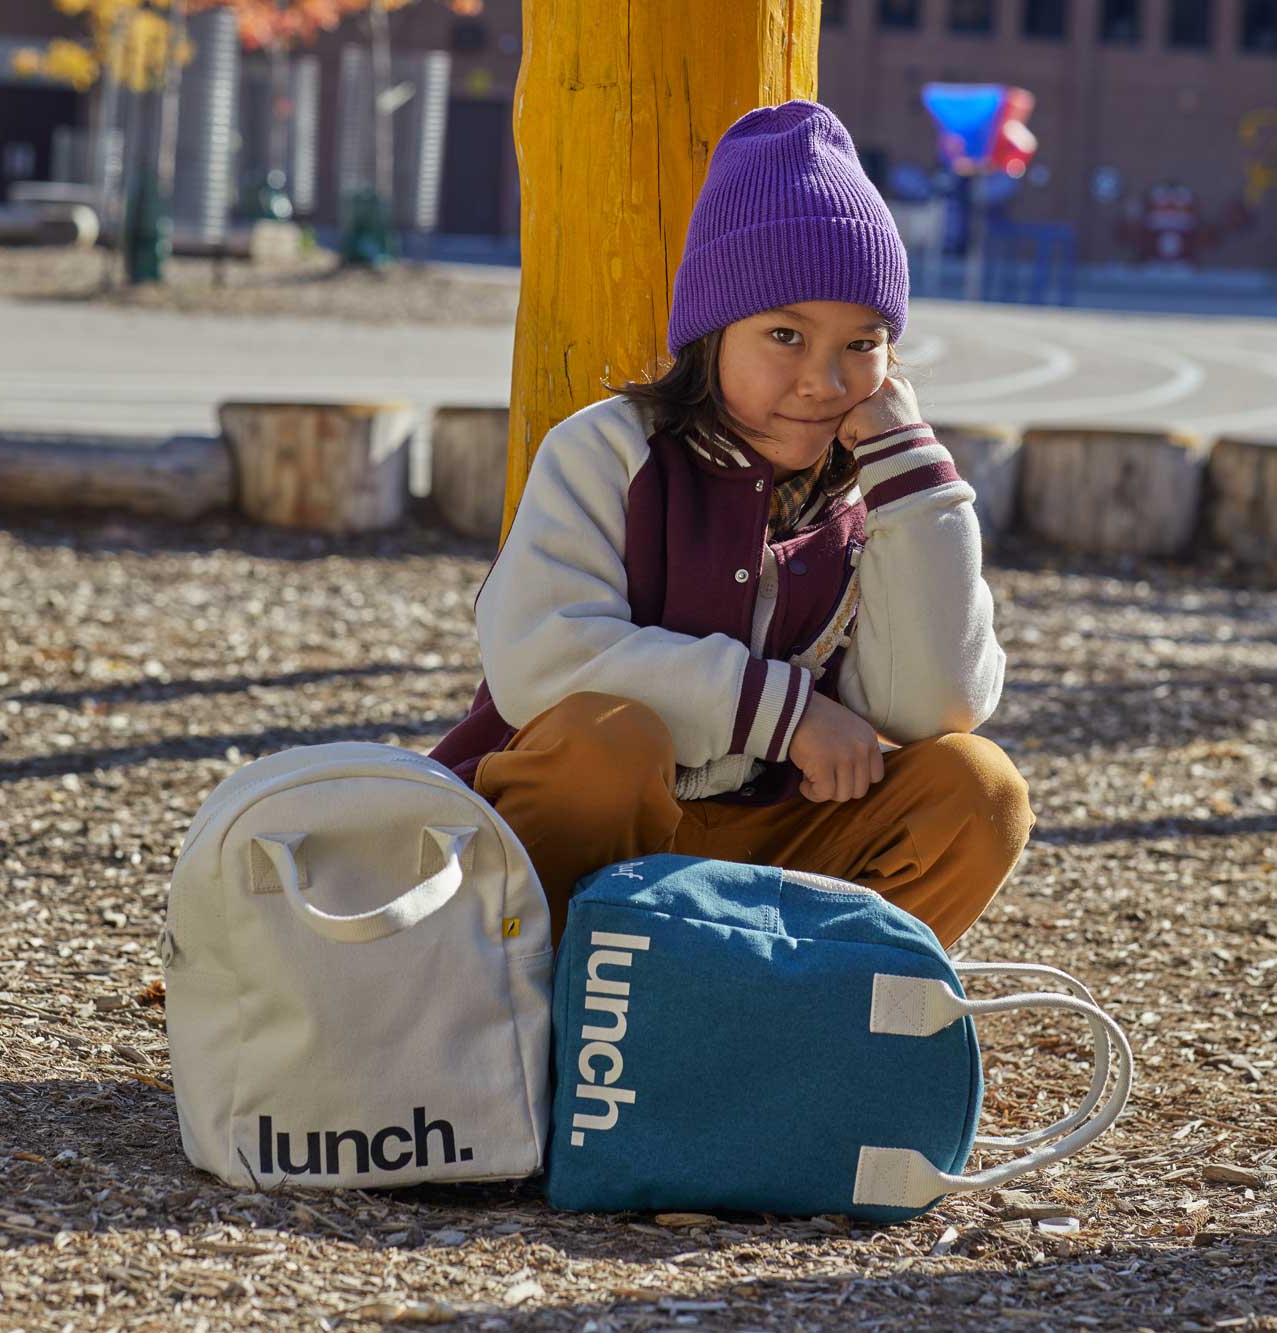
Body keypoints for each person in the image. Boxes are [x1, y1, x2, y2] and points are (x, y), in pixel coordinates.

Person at [431, 100, 1034, 949]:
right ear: (710, 335)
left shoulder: (876, 489)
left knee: (976, 789)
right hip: (576, 835)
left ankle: (786, 1040)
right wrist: (783, 714)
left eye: (862, 343)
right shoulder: (609, 450)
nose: (824, 379)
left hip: (770, 835)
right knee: (610, 738)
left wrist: (910, 474)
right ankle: (546, 1032)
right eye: (784, 334)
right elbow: (541, 656)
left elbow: (934, 704)